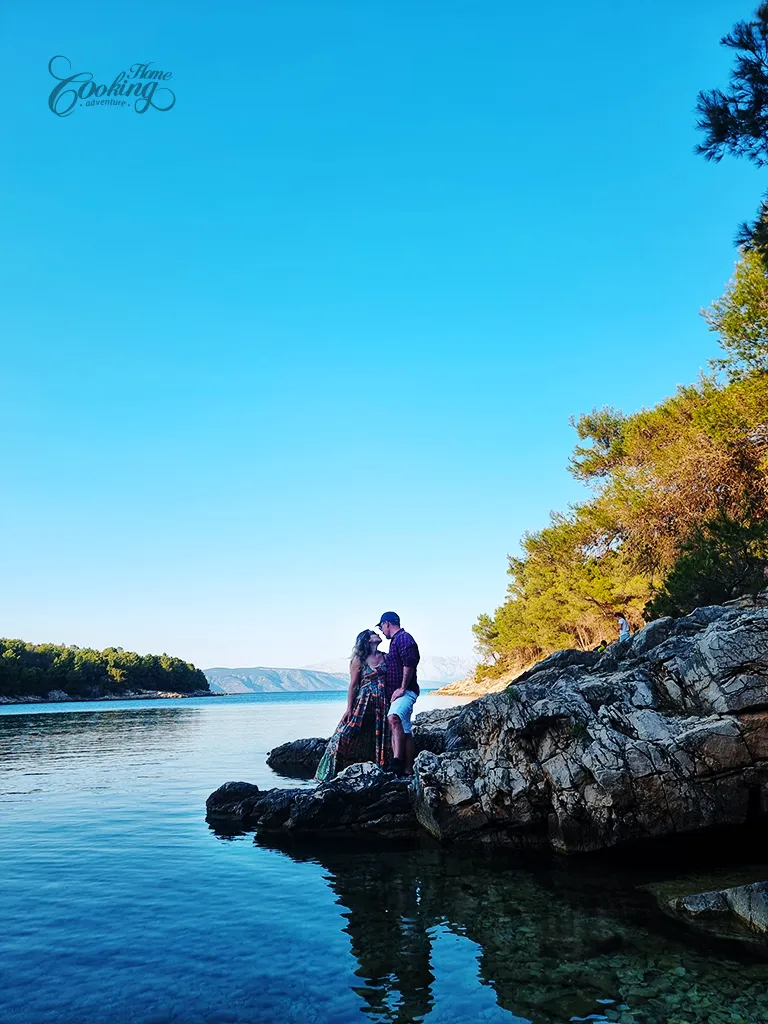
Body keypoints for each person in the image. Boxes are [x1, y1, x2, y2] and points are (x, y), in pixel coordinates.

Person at [315, 630, 390, 783]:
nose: (378, 634)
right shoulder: (359, 659)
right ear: (367, 640)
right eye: (374, 633)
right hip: (364, 701)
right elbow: (353, 685)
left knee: (379, 735)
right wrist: (349, 709)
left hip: (382, 702)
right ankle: (329, 774)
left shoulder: (385, 656)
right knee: (346, 733)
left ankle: (379, 770)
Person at [377, 611, 420, 777]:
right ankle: (408, 770)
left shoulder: (403, 638)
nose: (381, 630)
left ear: (387, 623)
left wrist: (402, 687)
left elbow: (409, 662)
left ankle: (396, 762)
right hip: (402, 692)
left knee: (393, 717)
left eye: (381, 626)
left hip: (407, 692)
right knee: (406, 729)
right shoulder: (396, 641)